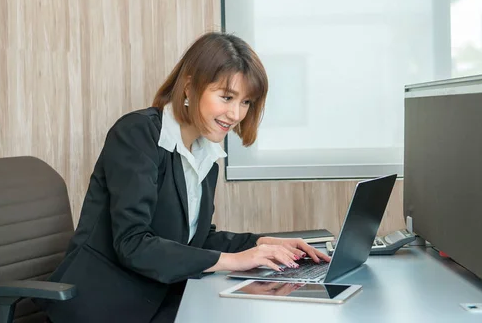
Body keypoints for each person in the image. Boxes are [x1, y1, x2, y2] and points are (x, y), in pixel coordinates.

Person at [44, 32, 330, 323]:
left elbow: (198, 239)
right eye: (227, 97)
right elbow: (133, 243)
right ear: (191, 87)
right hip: (104, 304)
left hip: (161, 298)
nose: (235, 114)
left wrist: (261, 243)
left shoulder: (206, 154)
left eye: (246, 102)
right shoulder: (137, 134)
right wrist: (233, 260)